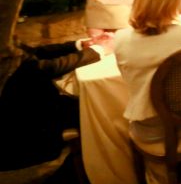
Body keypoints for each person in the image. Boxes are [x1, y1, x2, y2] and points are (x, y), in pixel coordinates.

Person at [114, 0, 181, 184]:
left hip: (150, 129)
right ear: (169, 2)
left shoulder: (121, 38)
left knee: (141, 123)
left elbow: (129, 81)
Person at [0, 36, 108, 171]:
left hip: (39, 106)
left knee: (96, 103)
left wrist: (79, 45)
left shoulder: (10, 50)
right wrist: (96, 50)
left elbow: (34, 52)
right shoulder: (7, 63)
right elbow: (46, 68)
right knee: (99, 111)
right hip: (27, 129)